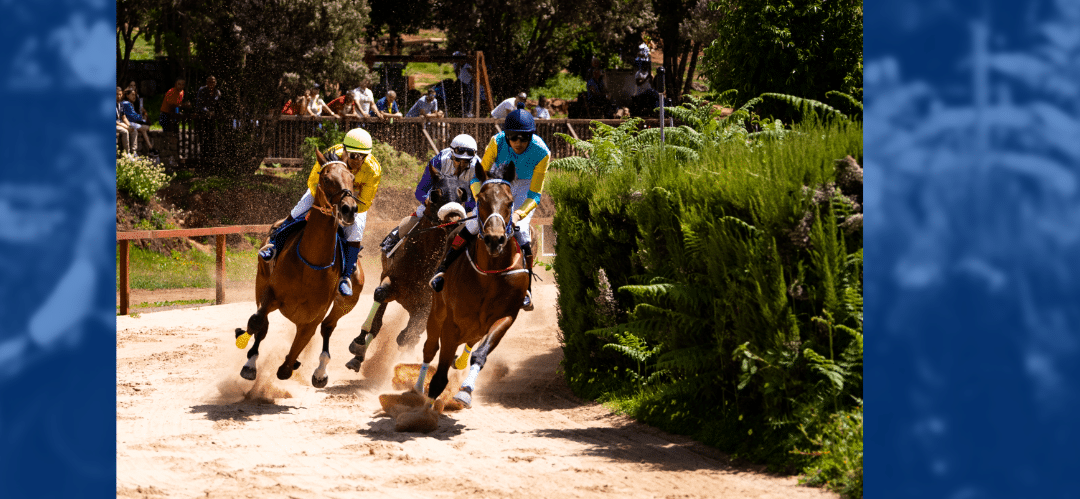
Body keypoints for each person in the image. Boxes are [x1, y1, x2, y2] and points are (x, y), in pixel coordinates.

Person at [429, 103, 549, 311]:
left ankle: (527, 289)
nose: (518, 142)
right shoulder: (496, 142)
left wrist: (519, 214)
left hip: (523, 189)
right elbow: (478, 176)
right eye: (513, 137)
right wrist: (481, 200)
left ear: (532, 137)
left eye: (524, 138)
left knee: (522, 234)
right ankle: (442, 270)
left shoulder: (542, 153)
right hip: (495, 183)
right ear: (506, 135)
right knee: (474, 225)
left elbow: (535, 195)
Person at [257, 128, 382, 297]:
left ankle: (345, 277)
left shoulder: (373, 170)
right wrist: (324, 203)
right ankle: (274, 246)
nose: (357, 160)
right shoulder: (330, 155)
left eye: (362, 156)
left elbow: (365, 202)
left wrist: (343, 212)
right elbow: (312, 182)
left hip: (352, 201)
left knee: (356, 230)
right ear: (345, 151)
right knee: (298, 210)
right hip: (324, 193)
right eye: (353, 155)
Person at [379, 134, 479, 255]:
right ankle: (393, 239)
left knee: (475, 227)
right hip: (437, 202)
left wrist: (464, 207)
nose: (461, 165)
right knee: (418, 215)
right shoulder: (438, 161)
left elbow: (476, 198)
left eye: (466, 162)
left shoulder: (478, 166)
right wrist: (429, 203)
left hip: (462, 205)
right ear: (452, 154)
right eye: (457, 160)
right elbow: (420, 190)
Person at [194, 76, 222, 160]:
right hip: (202, 118)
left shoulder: (217, 92)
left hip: (212, 119)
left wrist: (216, 112)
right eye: (209, 82)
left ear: (215, 83)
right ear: (206, 82)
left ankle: (212, 155)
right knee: (202, 137)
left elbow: (218, 104)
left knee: (212, 136)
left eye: (213, 82)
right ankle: (203, 155)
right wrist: (207, 111)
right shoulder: (202, 90)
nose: (211, 84)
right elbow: (199, 104)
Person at [121, 88, 156, 155]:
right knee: (146, 128)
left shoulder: (127, 103)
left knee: (144, 130)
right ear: (127, 95)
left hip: (130, 122)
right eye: (132, 95)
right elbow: (133, 116)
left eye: (135, 95)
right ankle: (146, 149)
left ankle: (150, 148)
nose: (134, 97)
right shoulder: (127, 103)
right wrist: (143, 118)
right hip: (129, 123)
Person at [116, 86, 136, 155]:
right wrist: (125, 127)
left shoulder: (120, 104)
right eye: (116, 94)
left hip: (120, 123)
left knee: (134, 130)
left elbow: (124, 117)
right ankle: (127, 154)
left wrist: (129, 125)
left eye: (120, 94)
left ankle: (134, 151)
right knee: (125, 131)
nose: (118, 96)